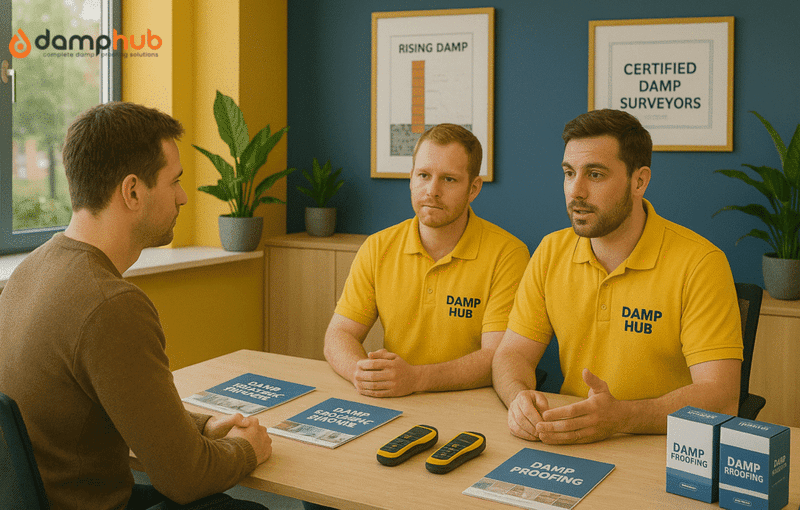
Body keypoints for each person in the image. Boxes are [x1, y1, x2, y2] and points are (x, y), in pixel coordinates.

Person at [0, 102, 272, 510]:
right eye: (173, 181)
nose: (182, 197)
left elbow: (122, 407)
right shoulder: (110, 305)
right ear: (132, 192)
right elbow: (186, 478)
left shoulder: (30, 270)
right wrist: (247, 448)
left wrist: (204, 426)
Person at [492, 108, 743, 445]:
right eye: (569, 173)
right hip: (572, 440)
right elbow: (512, 355)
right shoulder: (551, 251)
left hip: (664, 447)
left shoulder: (700, 263)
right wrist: (518, 397)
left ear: (639, 181)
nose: (576, 191)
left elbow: (722, 395)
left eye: (595, 175)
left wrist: (622, 416)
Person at [324, 123, 529, 398]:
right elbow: (339, 335)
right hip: (397, 398)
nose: (432, 190)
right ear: (411, 178)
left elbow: (496, 357)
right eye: (423, 175)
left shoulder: (508, 254)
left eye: (449, 179)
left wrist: (416, 379)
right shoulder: (377, 247)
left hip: (472, 403)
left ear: (474, 188)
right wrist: (361, 373)